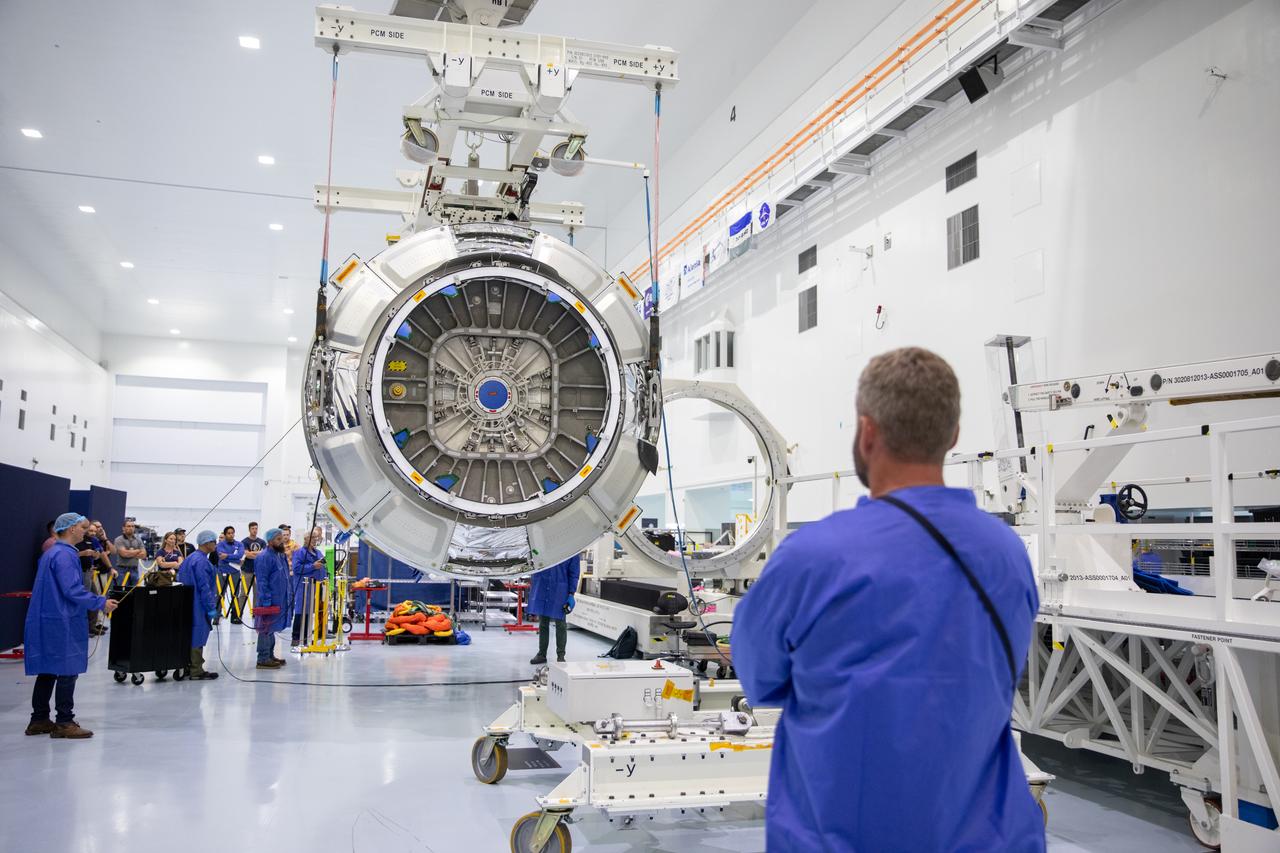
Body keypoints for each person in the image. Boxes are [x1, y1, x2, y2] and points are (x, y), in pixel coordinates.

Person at [731, 348, 1043, 853]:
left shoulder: (811, 556)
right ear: (954, 435)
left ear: (867, 432)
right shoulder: (1006, 553)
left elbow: (759, 678)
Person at [23, 512, 120, 738]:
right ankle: (64, 722)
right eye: (82, 527)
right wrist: (101, 602)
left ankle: (38, 719)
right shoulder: (65, 556)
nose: (85, 531)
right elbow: (72, 590)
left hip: (48, 619)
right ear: (70, 529)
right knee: (67, 671)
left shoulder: (52, 553)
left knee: (47, 670)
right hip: (62, 620)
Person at [525, 554, 580, 665]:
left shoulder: (572, 548)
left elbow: (574, 573)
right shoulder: (547, 544)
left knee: (560, 623)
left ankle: (561, 656)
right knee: (543, 623)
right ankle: (542, 654)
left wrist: (571, 593)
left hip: (560, 589)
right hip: (543, 586)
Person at [252, 528, 290, 669]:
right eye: (278, 539)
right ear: (270, 541)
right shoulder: (264, 557)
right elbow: (262, 581)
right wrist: (266, 600)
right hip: (269, 600)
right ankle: (262, 659)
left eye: (282, 538)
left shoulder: (280, 555)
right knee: (265, 629)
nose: (282, 541)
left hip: (279, 599)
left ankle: (270, 655)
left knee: (272, 628)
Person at [289, 527, 328, 652]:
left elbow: (322, 566)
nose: (315, 540)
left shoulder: (317, 552)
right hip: (303, 585)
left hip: (315, 586)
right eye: (312, 538)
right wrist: (313, 566)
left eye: (316, 538)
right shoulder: (300, 552)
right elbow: (296, 568)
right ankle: (296, 638)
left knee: (310, 611)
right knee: (301, 610)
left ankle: (306, 637)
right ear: (306, 539)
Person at [76, 526, 114, 636]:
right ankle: (82, 628)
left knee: (94, 597)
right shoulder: (77, 541)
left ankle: (91, 627)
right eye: (90, 530)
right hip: (80, 573)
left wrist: (109, 566)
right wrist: (84, 553)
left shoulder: (94, 541)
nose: (92, 533)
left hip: (88, 572)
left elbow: (101, 554)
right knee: (84, 600)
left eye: (94, 531)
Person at [215, 526, 246, 624]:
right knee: (220, 594)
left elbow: (240, 556)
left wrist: (227, 556)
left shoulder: (239, 544)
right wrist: (234, 558)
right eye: (228, 533)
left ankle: (235, 616)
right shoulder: (220, 545)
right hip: (222, 571)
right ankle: (216, 616)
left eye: (232, 533)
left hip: (235, 572)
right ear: (225, 534)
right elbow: (221, 556)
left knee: (235, 594)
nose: (231, 535)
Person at [240, 521, 266, 601]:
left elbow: (264, 555)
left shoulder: (262, 542)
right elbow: (247, 555)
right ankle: (239, 612)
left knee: (257, 593)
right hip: (247, 571)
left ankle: (255, 613)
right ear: (249, 529)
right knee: (243, 593)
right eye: (253, 528)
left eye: (256, 528)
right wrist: (259, 553)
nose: (254, 530)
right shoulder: (244, 542)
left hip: (258, 571)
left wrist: (252, 553)